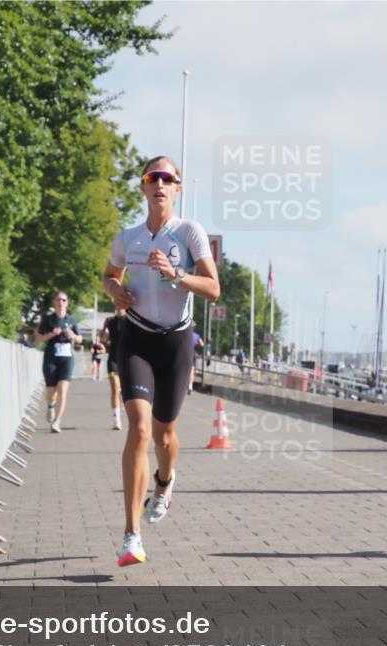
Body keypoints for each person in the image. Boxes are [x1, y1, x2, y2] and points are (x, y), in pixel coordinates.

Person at [102, 156, 220, 567]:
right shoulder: (128, 238)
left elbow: (214, 288)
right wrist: (115, 290)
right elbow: (109, 275)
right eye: (153, 177)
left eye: (168, 178)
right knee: (137, 429)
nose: (160, 184)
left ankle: (165, 482)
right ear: (143, 187)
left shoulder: (189, 232)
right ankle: (131, 536)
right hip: (136, 337)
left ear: (177, 188)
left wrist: (176, 274)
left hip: (175, 344)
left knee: (164, 435)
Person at [35, 291, 84, 433]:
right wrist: (51, 334)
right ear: (54, 303)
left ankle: (57, 421)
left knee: (62, 389)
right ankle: (50, 407)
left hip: (67, 357)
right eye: (58, 300)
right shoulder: (48, 320)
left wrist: (73, 336)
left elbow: (81, 339)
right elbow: (38, 338)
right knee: (51, 391)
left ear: (67, 303)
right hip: (51, 356)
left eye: (64, 300)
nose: (61, 302)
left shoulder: (71, 320)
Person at [101, 308, 127, 430]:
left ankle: (122, 400)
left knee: (123, 390)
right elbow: (102, 339)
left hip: (127, 360)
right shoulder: (110, 320)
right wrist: (104, 328)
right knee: (115, 389)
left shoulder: (131, 320)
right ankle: (117, 420)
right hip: (113, 360)